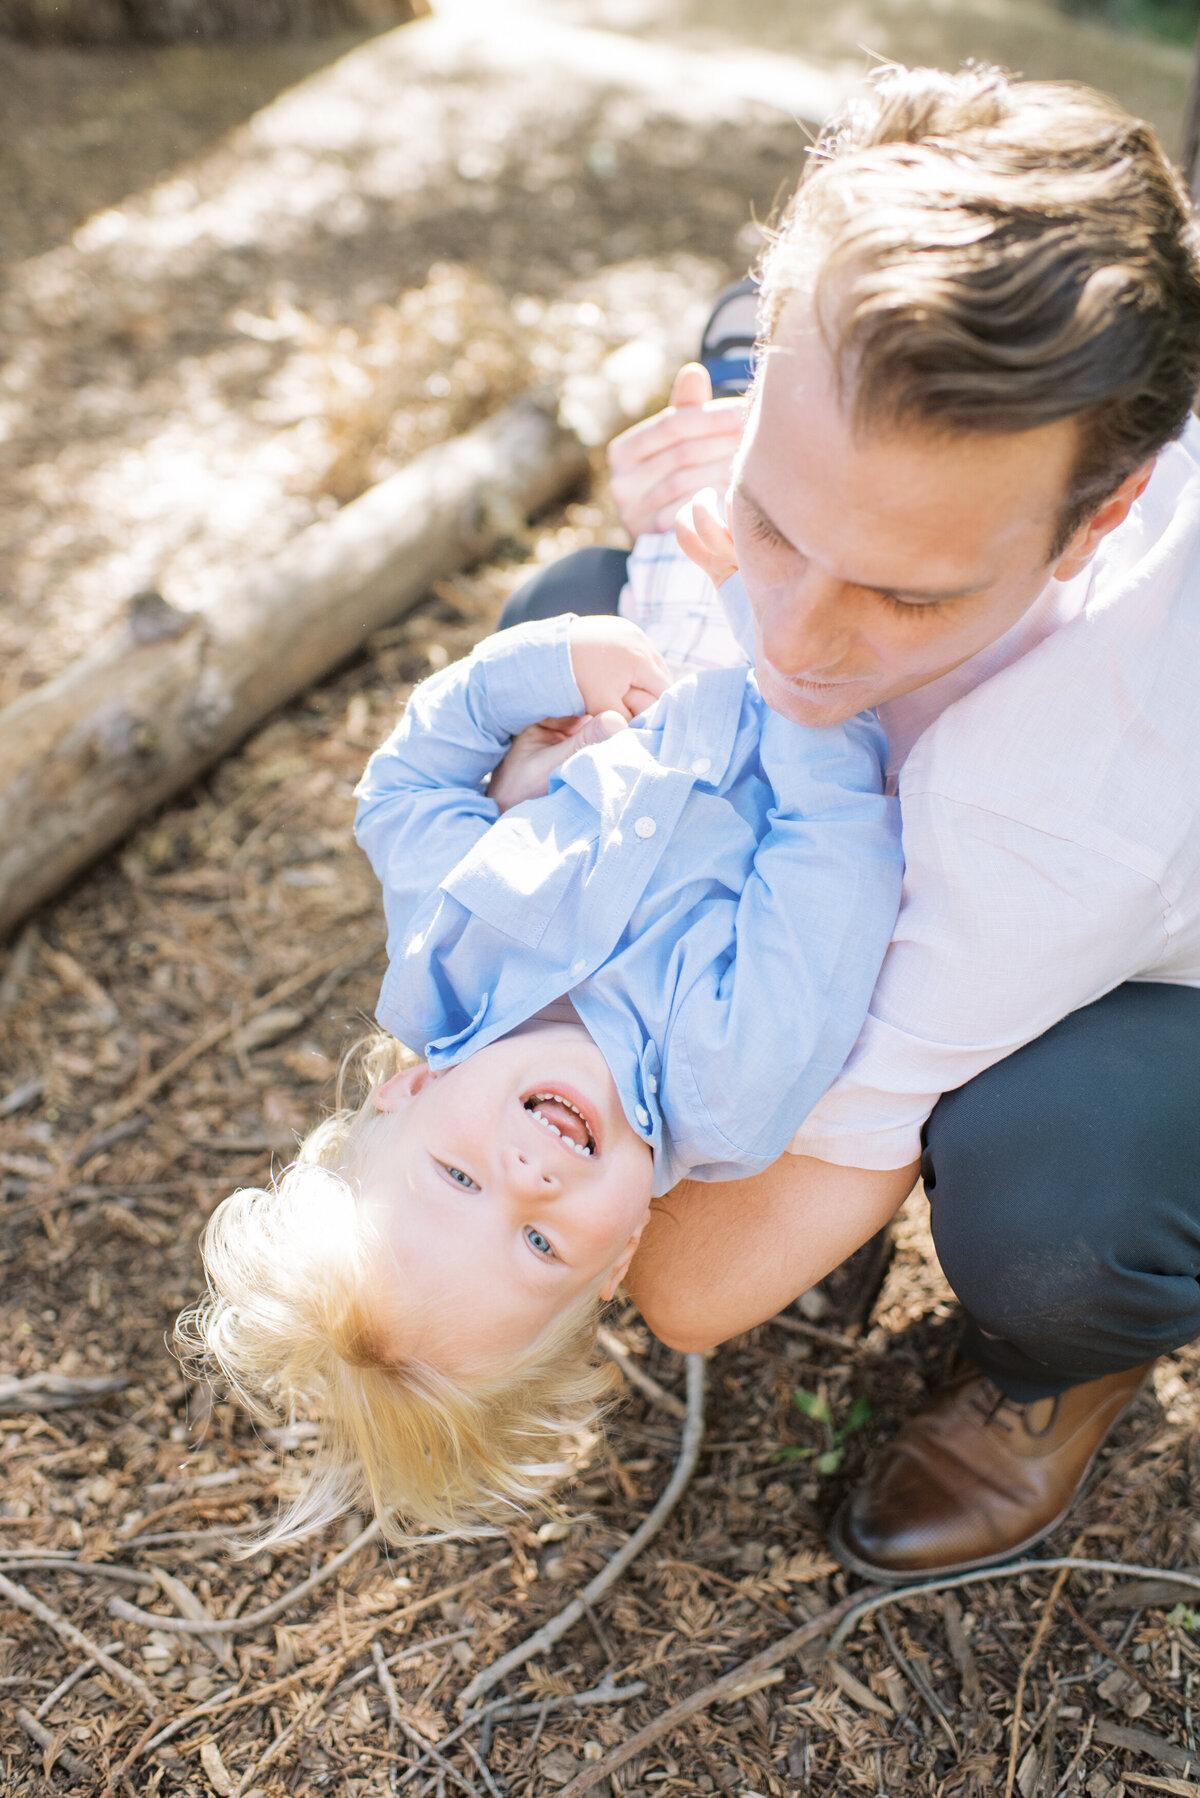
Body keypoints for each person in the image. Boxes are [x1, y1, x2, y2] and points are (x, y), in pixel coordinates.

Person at [502, 60, 1200, 1580]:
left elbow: (685, 1290)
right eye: (772, 516)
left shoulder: (1060, 799)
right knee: (561, 629)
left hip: (1156, 961)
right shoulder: (846, 373)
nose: (796, 640)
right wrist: (685, 509)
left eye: (906, 588)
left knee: (1059, 1184)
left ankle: (1060, 1364)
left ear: (1103, 516)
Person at [179, 612, 900, 1542]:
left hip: (663, 608)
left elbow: (402, 785)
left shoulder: (450, 952)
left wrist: (547, 666)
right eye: (541, 1247)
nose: (527, 1179)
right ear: (620, 1260)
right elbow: (837, 841)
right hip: (817, 659)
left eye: (459, 1178)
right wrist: (789, 650)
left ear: (407, 1093)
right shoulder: (729, 1082)